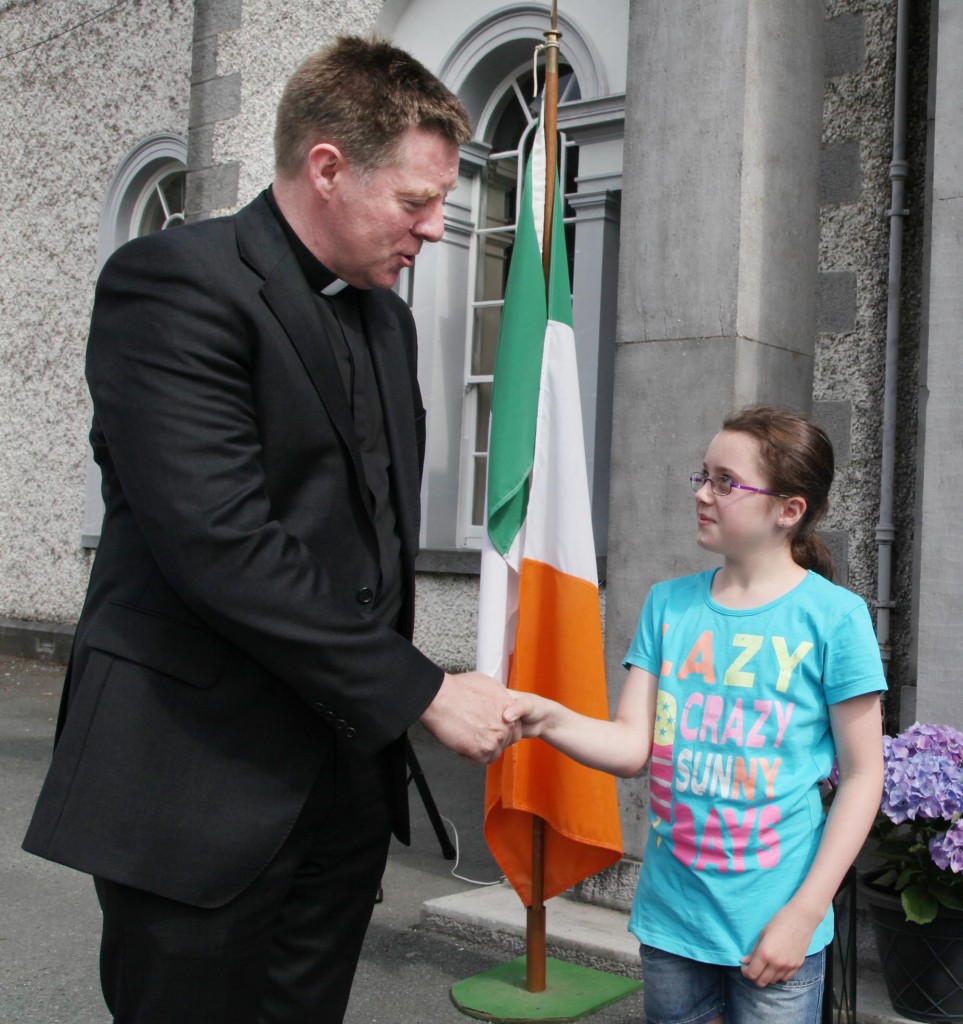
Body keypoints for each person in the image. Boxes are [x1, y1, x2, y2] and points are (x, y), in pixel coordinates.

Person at [23, 36, 520, 1024]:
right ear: (329, 166)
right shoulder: (170, 283)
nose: (435, 228)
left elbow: (370, 541)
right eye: (416, 201)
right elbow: (219, 539)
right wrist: (420, 687)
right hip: (192, 779)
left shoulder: (388, 318)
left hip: (337, 786)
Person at [506, 405, 886, 1024]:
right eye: (704, 475)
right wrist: (545, 718)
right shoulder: (669, 605)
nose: (703, 493)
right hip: (672, 923)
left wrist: (805, 914)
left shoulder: (836, 619)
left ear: (788, 510)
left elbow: (864, 777)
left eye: (726, 481)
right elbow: (633, 749)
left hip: (778, 926)